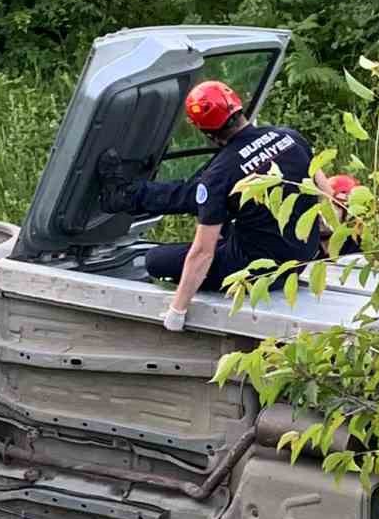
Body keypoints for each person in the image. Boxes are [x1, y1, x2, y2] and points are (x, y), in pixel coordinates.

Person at [99, 80, 333, 331]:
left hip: (257, 273)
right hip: (296, 263)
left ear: (207, 133)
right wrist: (324, 243)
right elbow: (326, 194)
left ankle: (125, 196)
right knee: (205, 193)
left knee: (156, 260)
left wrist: (177, 311)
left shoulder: (222, 173)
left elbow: (203, 253)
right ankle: (127, 196)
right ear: (239, 108)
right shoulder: (289, 137)